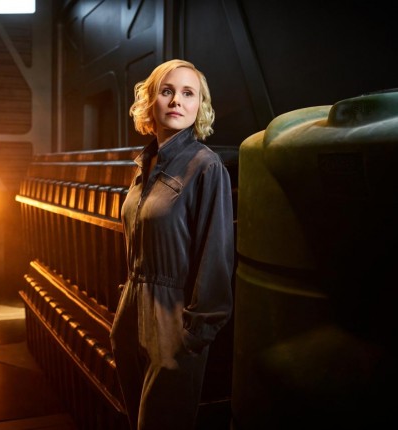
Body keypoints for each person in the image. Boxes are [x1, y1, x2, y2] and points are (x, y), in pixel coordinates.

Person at [110, 59, 235, 430]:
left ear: (199, 106)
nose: (177, 100)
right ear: (151, 101)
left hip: (174, 320)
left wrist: (195, 333)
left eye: (188, 93)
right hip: (131, 313)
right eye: (167, 91)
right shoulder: (144, 165)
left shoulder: (206, 166)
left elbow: (216, 254)